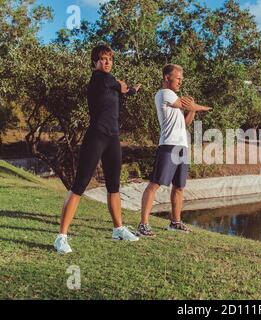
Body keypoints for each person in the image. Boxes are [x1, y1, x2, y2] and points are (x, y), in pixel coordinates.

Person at [54, 44, 141, 254]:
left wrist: (130, 91)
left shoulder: (109, 85)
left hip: (112, 138)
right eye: (103, 59)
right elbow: (120, 85)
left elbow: (121, 92)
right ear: (95, 62)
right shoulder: (100, 79)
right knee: (79, 185)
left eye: (110, 59)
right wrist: (125, 87)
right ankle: (61, 237)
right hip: (96, 137)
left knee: (114, 186)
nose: (107, 62)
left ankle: (118, 229)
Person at [137, 64, 211, 237]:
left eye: (181, 79)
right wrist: (198, 106)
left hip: (182, 146)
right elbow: (186, 104)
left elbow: (186, 122)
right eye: (178, 78)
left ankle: (175, 222)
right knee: (155, 184)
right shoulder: (164, 94)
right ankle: (143, 224)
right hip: (169, 145)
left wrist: (193, 109)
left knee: (179, 187)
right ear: (166, 78)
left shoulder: (174, 100)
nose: (180, 81)